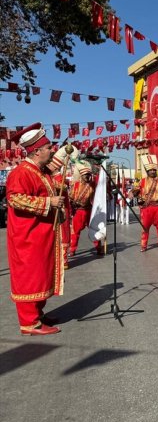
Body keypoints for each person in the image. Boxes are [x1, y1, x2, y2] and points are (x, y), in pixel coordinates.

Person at [6, 123, 65, 335]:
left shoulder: (41, 172)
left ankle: (38, 314)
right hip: (27, 236)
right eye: (49, 147)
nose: (52, 149)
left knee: (41, 275)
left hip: (41, 235)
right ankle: (29, 323)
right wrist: (50, 202)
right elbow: (15, 199)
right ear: (37, 150)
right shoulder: (22, 173)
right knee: (30, 277)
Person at [130, 154, 158, 252]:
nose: (152, 171)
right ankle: (143, 246)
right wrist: (133, 193)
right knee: (145, 228)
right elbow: (135, 190)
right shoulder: (142, 181)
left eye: (154, 170)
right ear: (147, 171)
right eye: (150, 170)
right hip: (146, 208)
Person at [68, 162, 104, 257]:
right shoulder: (75, 185)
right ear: (81, 175)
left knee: (94, 230)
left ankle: (99, 248)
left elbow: (100, 184)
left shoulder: (92, 185)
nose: (87, 177)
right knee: (75, 232)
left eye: (89, 175)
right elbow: (70, 197)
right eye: (85, 175)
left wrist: (100, 170)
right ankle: (72, 249)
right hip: (78, 212)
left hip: (89, 211)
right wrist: (73, 203)